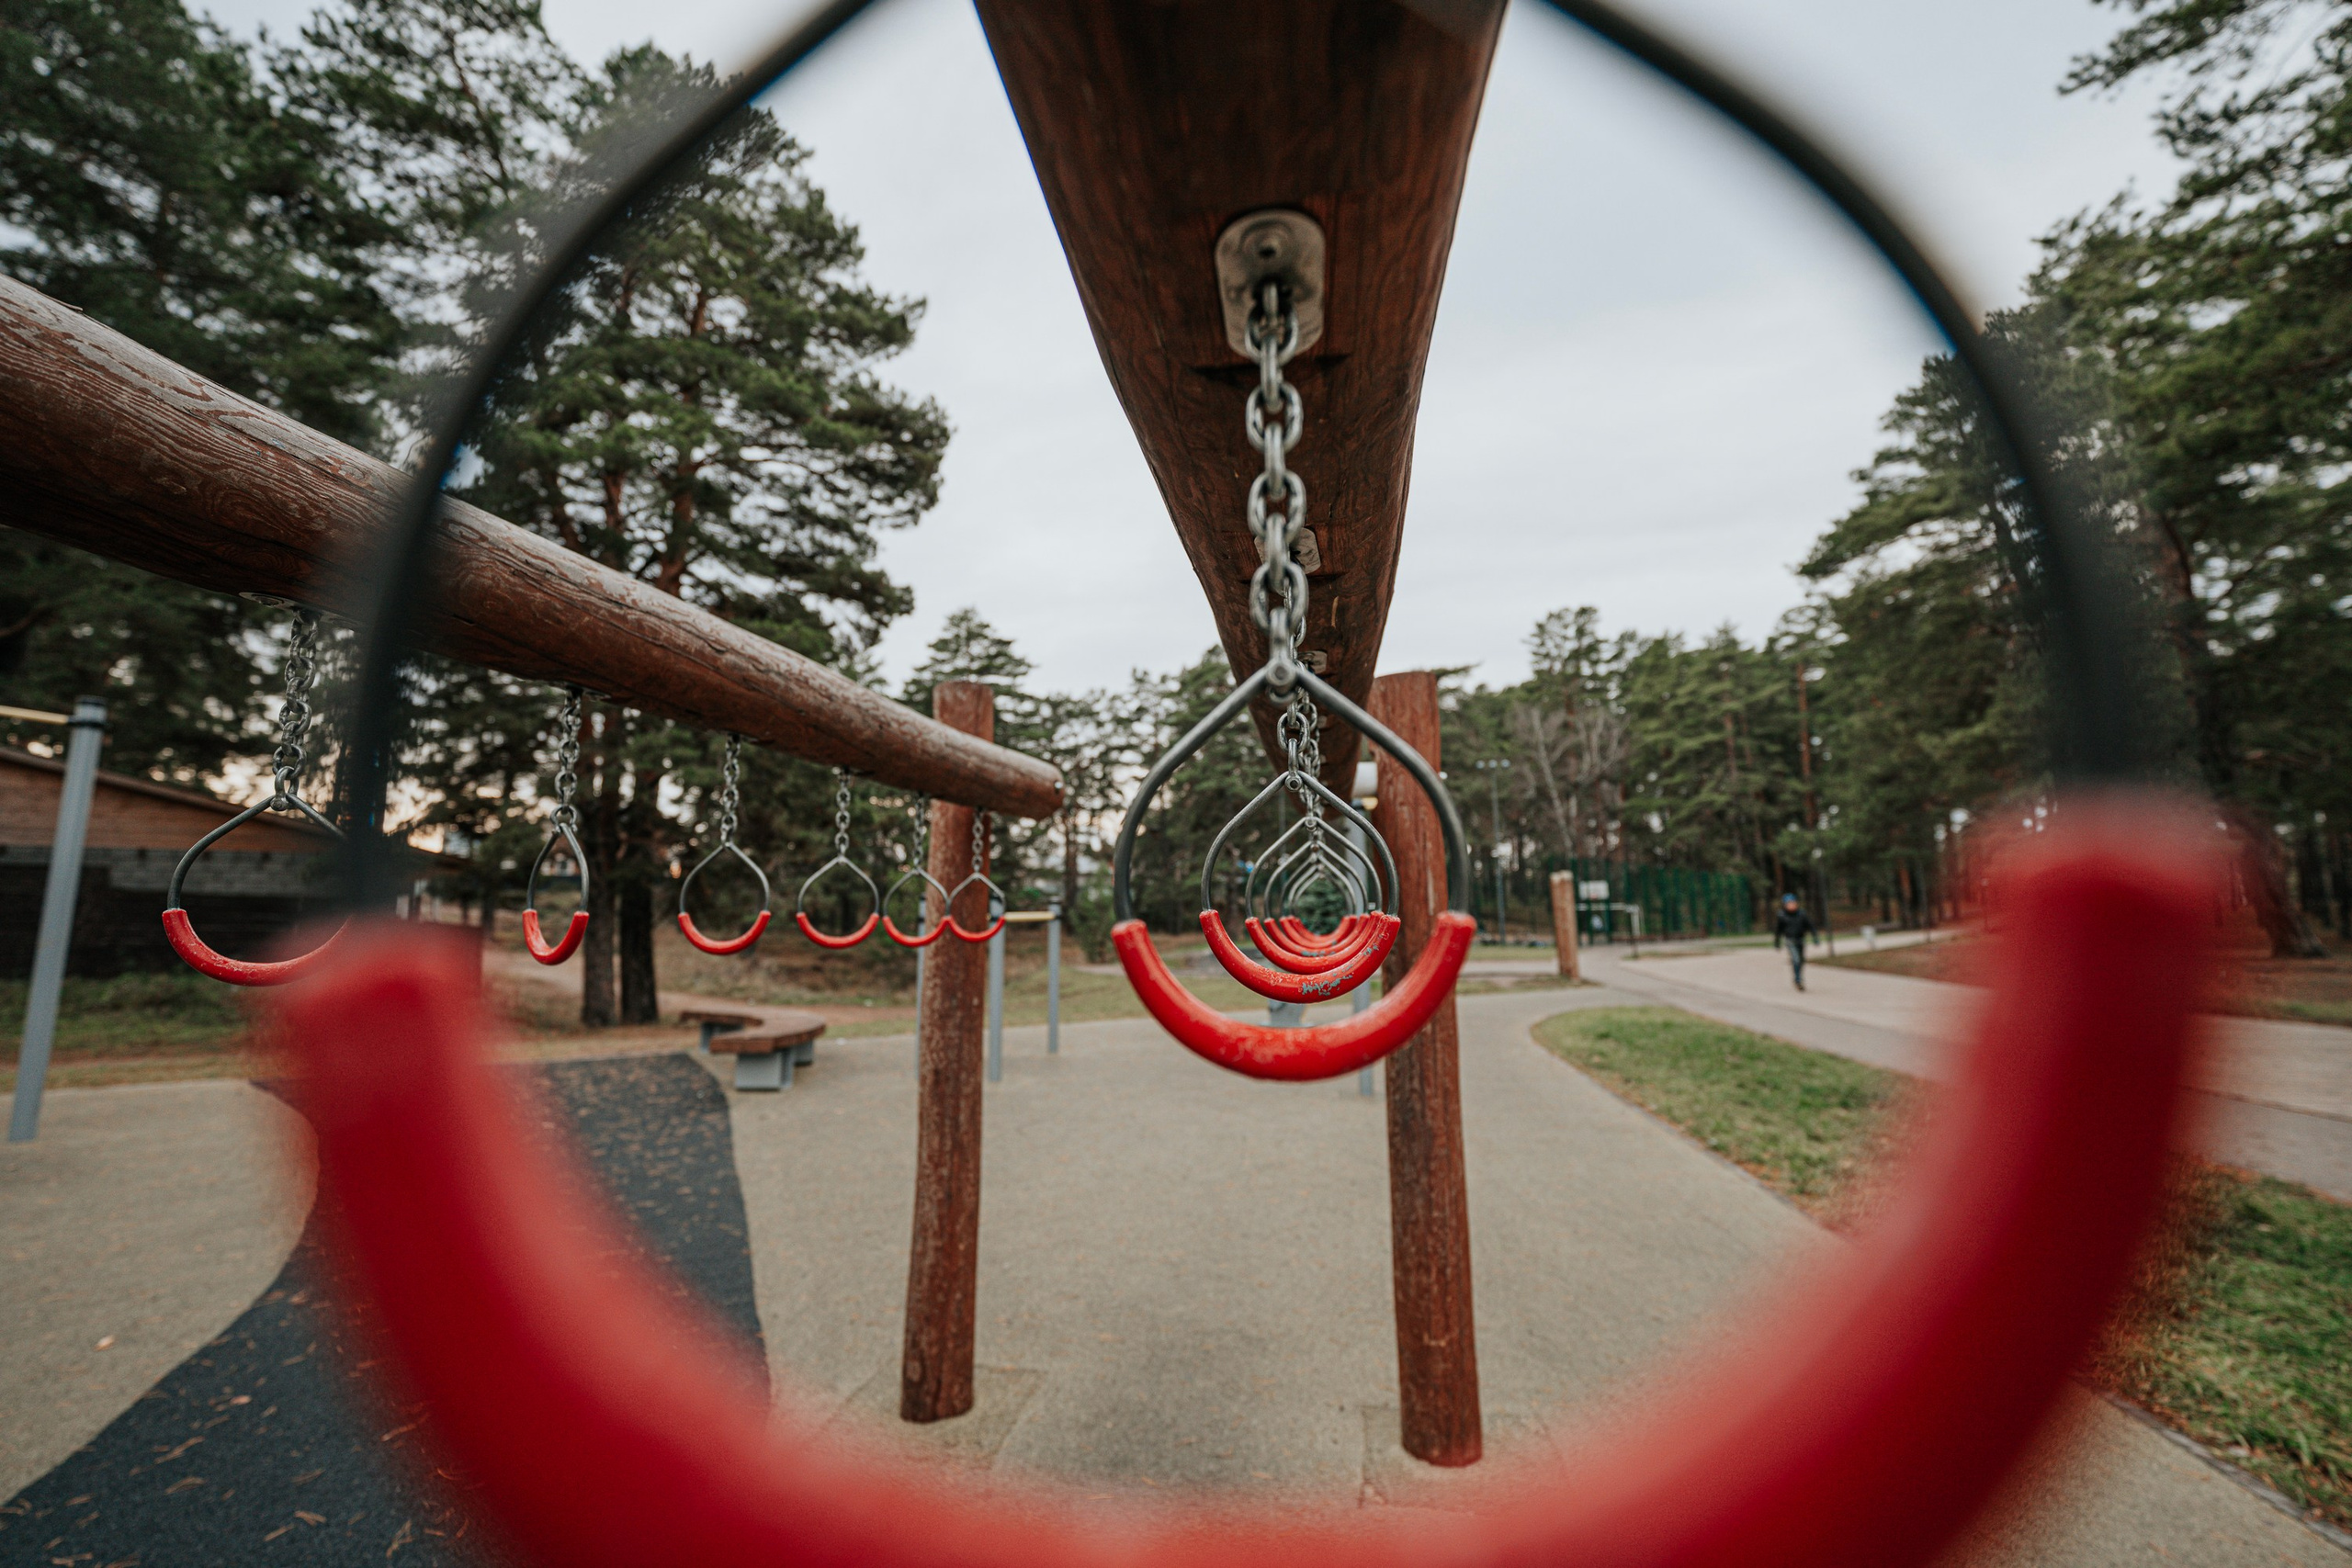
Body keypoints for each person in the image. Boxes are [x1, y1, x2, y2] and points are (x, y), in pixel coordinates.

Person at [1773, 892, 1816, 991]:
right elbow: (1778, 930)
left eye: (1793, 903)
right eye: (1789, 903)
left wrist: (1815, 937)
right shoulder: (1782, 916)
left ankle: (1798, 977)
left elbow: (1810, 926)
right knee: (1796, 959)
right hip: (1790, 940)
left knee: (1801, 960)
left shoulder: (1802, 914)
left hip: (1800, 939)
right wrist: (1777, 942)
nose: (1792, 905)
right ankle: (1798, 980)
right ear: (1785, 905)